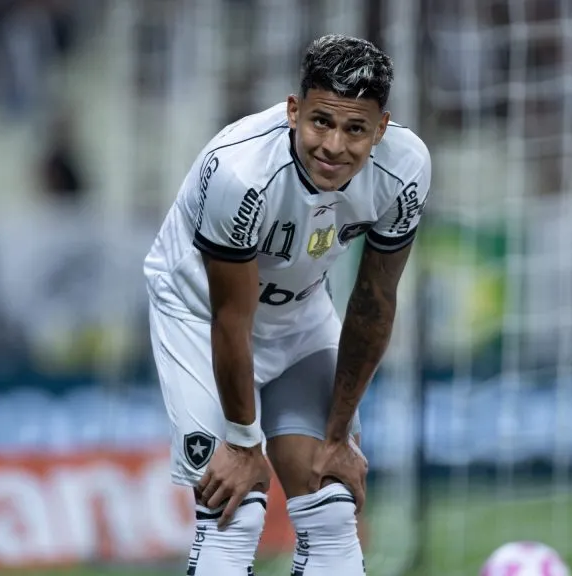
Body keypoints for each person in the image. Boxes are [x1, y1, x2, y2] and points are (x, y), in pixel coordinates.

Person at [143, 33, 430, 575]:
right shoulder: (240, 173)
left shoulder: (405, 169)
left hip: (301, 313)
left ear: (381, 129)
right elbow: (232, 319)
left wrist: (338, 436)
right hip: (198, 317)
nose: (334, 146)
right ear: (294, 110)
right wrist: (242, 443)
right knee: (234, 508)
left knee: (332, 501)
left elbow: (374, 300)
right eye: (321, 121)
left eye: (355, 129)